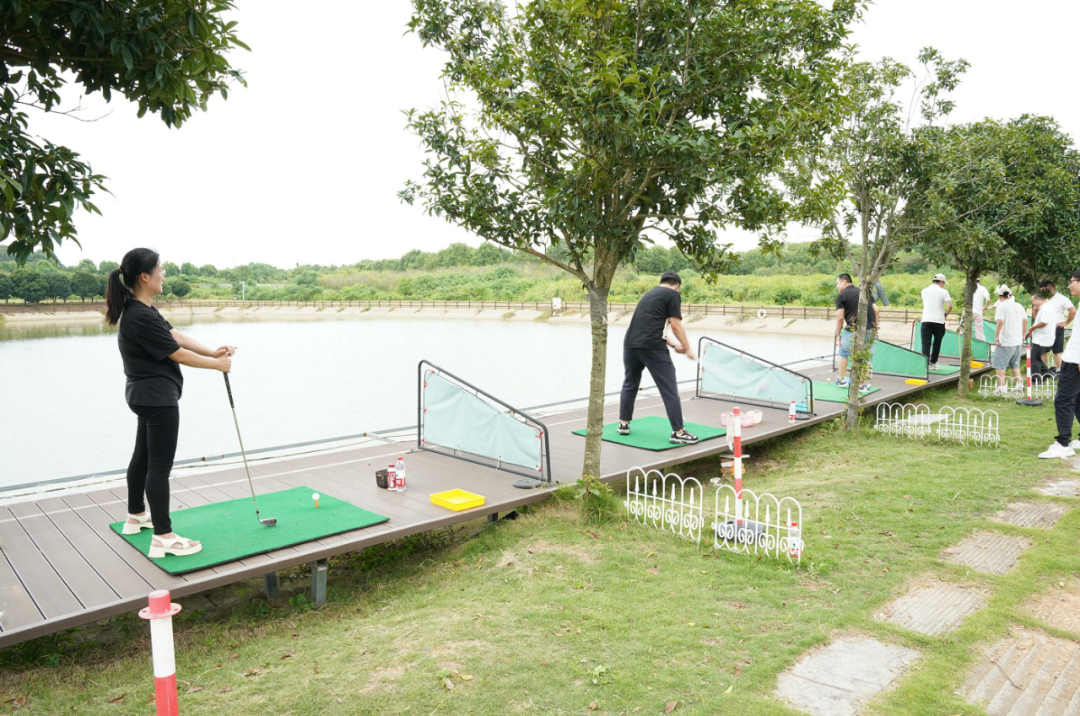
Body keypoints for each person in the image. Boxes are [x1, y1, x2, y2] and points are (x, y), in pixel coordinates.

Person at [105, 248, 237, 559]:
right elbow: (177, 354)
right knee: (159, 467)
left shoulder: (142, 310)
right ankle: (164, 536)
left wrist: (212, 352)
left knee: (143, 456)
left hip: (145, 396)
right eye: (160, 269)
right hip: (157, 398)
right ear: (144, 276)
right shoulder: (139, 316)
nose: (163, 274)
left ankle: (136, 515)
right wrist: (216, 366)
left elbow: (176, 337)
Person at [619, 271, 698, 444]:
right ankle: (678, 432)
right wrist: (687, 348)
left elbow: (652, 327)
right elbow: (676, 325)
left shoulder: (648, 295)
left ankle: (624, 424)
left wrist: (674, 346)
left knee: (630, 383)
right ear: (676, 285)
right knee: (669, 389)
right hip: (653, 348)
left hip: (631, 345)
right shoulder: (673, 294)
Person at [1039, 270, 1080, 458]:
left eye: (1072, 282)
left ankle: (1063, 444)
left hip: (1075, 360)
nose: (1069, 285)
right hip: (1072, 357)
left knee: (1063, 399)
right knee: (1077, 399)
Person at [834, 273, 880, 392]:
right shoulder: (865, 292)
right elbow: (876, 310)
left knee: (844, 352)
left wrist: (838, 334)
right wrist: (875, 327)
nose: (837, 286)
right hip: (869, 329)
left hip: (852, 329)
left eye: (837, 284)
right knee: (867, 357)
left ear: (844, 282)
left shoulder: (842, 295)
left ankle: (841, 380)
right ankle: (862, 385)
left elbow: (840, 318)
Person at [991, 285, 1027, 394]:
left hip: (1006, 341)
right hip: (1017, 340)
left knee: (999, 365)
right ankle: (1019, 384)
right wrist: (1023, 334)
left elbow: (1000, 321)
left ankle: (1002, 388)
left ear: (999, 296)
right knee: (1014, 364)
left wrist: (996, 336)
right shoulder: (1019, 306)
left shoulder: (1001, 307)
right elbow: (1025, 321)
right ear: (1010, 295)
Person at [1039, 280, 1076, 372]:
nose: (1042, 293)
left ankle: (1059, 371)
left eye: (1043, 290)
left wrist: (1066, 323)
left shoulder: (1062, 299)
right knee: (1044, 351)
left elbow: (1073, 311)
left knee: (1057, 351)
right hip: (1045, 328)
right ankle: (1043, 371)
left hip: (1057, 328)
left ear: (1051, 289)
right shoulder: (1043, 299)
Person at [920, 273, 953, 370]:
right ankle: (933, 362)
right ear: (941, 282)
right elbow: (950, 306)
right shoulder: (944, 291)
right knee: (937, 343)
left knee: (925, 343)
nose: (943, 285)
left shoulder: (924, 291)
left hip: (926, 320)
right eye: (943, 283)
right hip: (939, 320)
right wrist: (946, 314)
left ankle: (925, 364)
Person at [1027, 294, 1056, 377]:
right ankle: (1048, 373)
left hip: (1042, 339)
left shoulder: (1045, 309)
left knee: (1034, 359)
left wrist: (1032, 328)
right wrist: (1031, 330)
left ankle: (1036, 378)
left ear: (1037, 299)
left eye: (1033, 301)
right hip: (1044, 338)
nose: (1033, 304)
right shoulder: (1046, 307)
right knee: (1036, 358)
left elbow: (1044, 322)